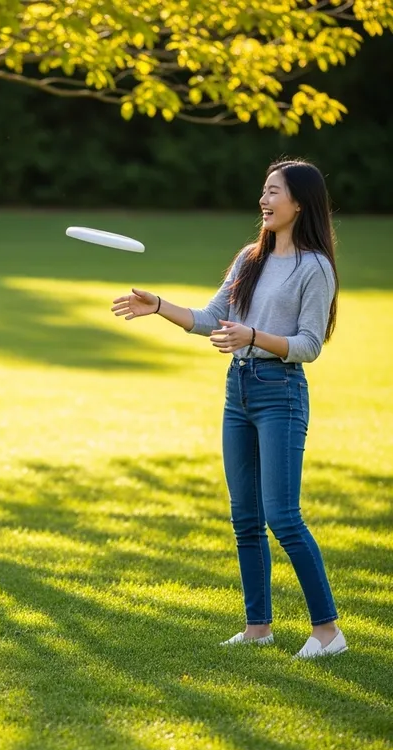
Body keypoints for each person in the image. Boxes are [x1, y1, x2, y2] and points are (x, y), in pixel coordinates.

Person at [111, 159, 347, 659]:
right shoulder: (250, 259)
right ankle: (258, 626)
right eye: (263, 191)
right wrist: (158, 306)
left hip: (280, 391)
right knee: (245, 517)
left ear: (300, 203)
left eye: (274, 192)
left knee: (282, 516)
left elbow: (309, 345)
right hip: (238, 391)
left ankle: (328, 632)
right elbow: (211, 317)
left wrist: (254, 337)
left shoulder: (315, 267)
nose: (264, 200)